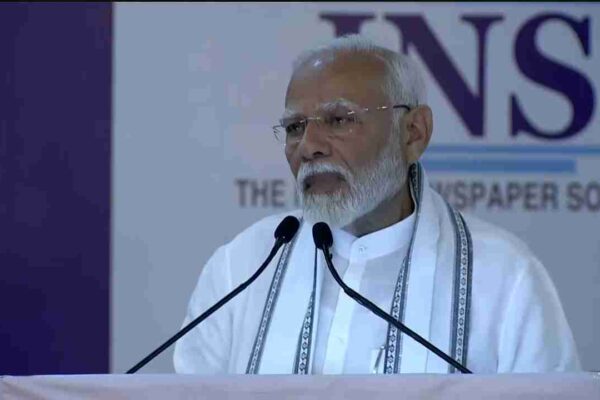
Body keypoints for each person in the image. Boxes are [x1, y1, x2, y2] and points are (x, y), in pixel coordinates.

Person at [173, 35, 580, 374]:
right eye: (295, 127)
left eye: (339, 120)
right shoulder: (241, 267)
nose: (309, 147)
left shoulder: (505, 278)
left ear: (413, 133)